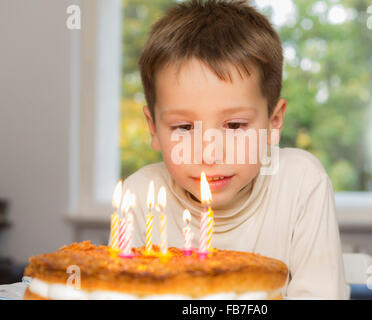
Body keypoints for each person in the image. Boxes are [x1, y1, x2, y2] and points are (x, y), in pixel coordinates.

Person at [116, 0, 347, 299]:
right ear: (153, 128)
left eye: (235, 126)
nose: (209, 154)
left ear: (273, 122)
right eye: (184, 128)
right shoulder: (139, 197)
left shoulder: (301, 184)